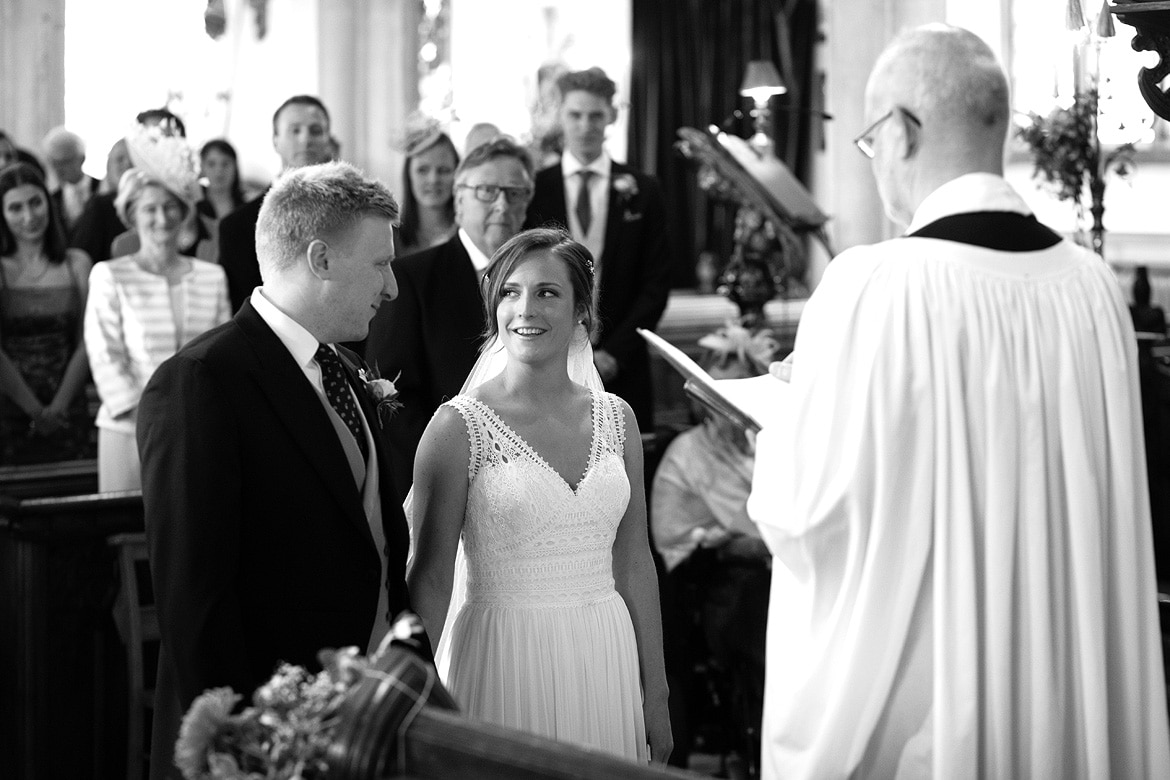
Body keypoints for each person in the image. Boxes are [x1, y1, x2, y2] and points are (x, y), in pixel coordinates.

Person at [747, 25, 1170, 779]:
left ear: (901, 133)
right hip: (1061, 703)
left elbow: (810, 512)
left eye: (870, 144)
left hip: (932, 724)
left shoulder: (872, 286)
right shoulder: (1093, 288)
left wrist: (786, 418)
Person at [138, 161, 413, 780]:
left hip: (355, 722)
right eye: (379, 264)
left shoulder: (342, 369)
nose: (392, 287)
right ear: (320, 259)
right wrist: (239, 745)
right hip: (262, 738)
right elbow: (196, 600)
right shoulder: (202, 381)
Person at [408, 227, 672, 763]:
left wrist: (658, 691)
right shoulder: (458, 427)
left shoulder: (616, 419)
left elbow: (635, 559)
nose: (525, 308)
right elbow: (431, 577)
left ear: (581, 310)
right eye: (509, 291)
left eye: (547, 292)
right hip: (502, 655)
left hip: (605, 653)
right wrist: (406, 695)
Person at [366, 137, 534, 494]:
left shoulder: (545, 281)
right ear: (459, 198)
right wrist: (453, 477)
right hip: (445, 483)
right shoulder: (413, 278)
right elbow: (394, 401)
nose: (502, 205)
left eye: (515, 192)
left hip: (533, 477)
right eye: (487, 191)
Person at [525, 67, 672, 432]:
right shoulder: (535, 190)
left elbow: (656, 284)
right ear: (561, 115)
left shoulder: (644, 189)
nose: (586, 125)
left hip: (623, 366)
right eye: (576, 114)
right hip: (549, 364)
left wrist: (614, 355)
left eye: (596, 115)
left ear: (612, 116)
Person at [84, 128, 230, 491]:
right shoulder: (110, 275)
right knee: (130, 530)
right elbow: (105, 354)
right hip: (127, 428)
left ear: (184, 213)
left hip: (198, 428)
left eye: (170, 208)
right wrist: (148, 415)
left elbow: (221, 353)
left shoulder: (212, 276)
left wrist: (198, 414)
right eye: (150, 209)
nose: (161, 218)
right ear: (132, 215)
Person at [0, 163, 94, 465]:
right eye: (15, 208)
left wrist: (59, 407)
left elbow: (86, 341)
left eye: (35, 202)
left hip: (68, 402)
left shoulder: (77, 263)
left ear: (48, 203)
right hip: (10, 405)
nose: (29, 217)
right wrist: (35, 411)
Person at [219, 95, 333, 311]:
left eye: (316, 130)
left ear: (328, 139)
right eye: (295, 130)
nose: (305, 139)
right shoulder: (236, 227)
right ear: (275, 140)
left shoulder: (356, 218)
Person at [72, 109, 185, 264]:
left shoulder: (195, 203)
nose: (157, 148)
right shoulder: (103, 207)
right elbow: (83, 261)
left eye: (165, 139)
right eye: (149, 140)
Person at [396, 119, 459, 255]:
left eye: (443, 170)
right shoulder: (389, 238)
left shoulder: (468, 236)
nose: (433, 179)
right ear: (408, 174)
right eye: (423, 170)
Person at [42, 126, 101, 237]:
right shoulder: (52, 199)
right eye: (54, 163)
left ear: (82, 158)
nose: (59, 169)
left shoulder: (102, 189)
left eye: (64, 162)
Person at [194, 139, 247, 263]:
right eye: (211, 164)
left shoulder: (247, 209)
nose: (219, 171)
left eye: (225, 164)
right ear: (202, 167)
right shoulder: (193, 207)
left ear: (235, 167)